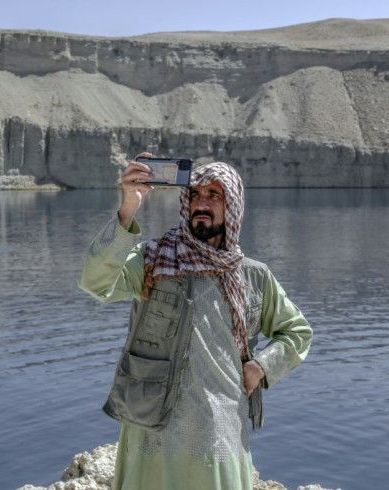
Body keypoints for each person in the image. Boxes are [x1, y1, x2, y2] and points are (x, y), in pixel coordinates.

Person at [80, 152, 313, 490]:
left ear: (232, 204)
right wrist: (129, 206)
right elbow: (96, 283)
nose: (202, 202)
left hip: (218, 431)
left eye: (214, 195)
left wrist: (262, 366)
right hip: (152, 430)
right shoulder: (154, 259)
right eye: (195, 194)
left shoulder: (253, 276)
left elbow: (297, 332)